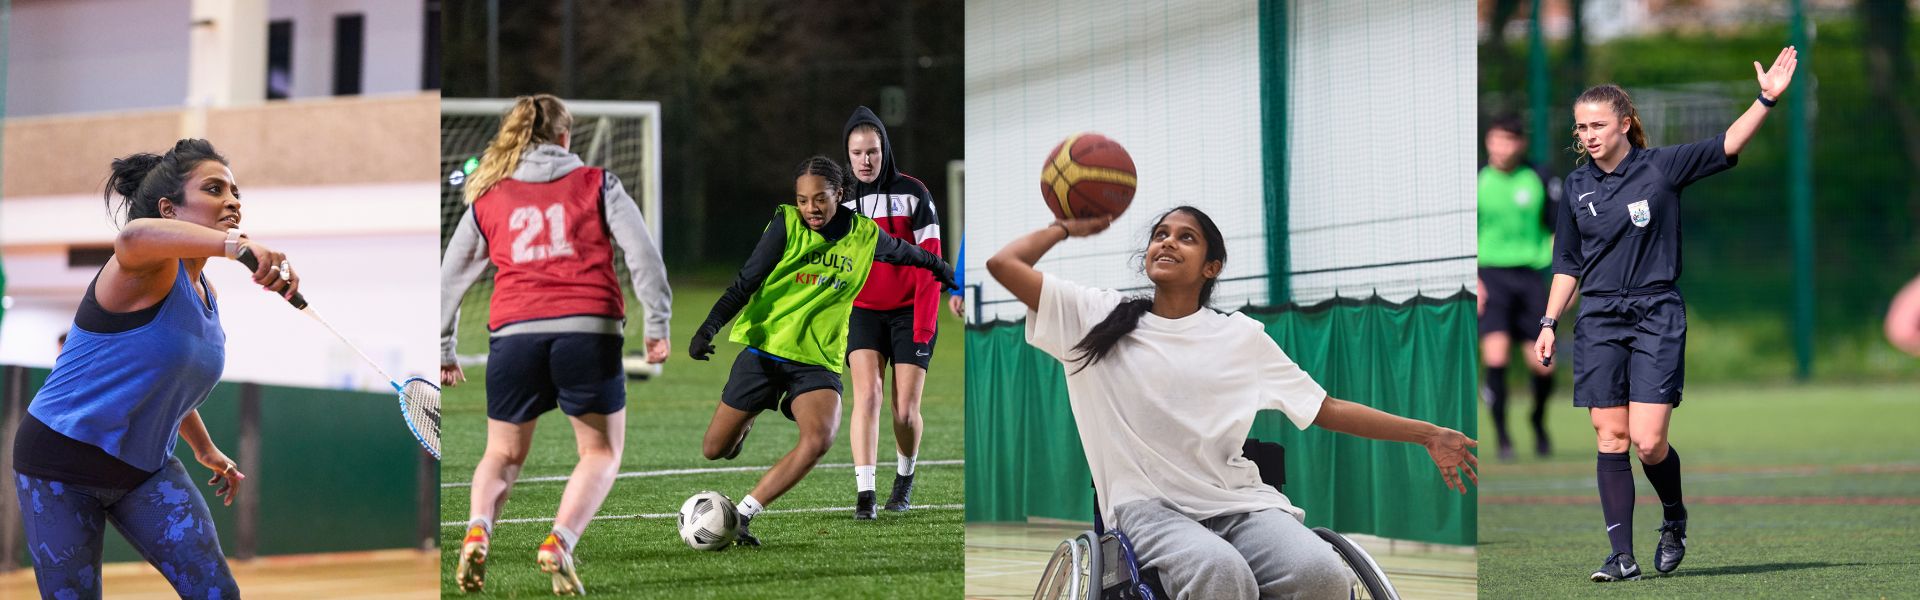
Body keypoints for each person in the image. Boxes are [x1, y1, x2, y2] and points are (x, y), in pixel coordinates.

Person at [986, 206, 1478, 599]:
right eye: (1161, 234)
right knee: (1221, 574)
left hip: (1241, 504)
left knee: (1323, 574)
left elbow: (1326, 408)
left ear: (1211, 267)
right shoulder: (1096, 317)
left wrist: (1428, 434)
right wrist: (1063, 226)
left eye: (1186, 237)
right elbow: (1003, 266)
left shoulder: (1241, 336)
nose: (1167, 242)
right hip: (1148, 509)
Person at [1534, 47, 1799, 583]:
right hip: (1600, 318)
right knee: (1611, 437)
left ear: (1625, 124)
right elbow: (1567, 261)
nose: (1587, 135)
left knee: (1649, 441)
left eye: (1597, 125)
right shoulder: (1576, 187)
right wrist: (1548, 322)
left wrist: (1765, 98)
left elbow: (1727, 143)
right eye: (1580, 127)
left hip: (1656, 310)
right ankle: (1620, 557)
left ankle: (1674, 517)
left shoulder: (1661, 167)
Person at [12, 139, 298, 599]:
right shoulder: (143, 269)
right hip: (60, 463)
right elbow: (132, 237)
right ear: (169, 209)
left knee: (216, 592)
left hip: (144, 469)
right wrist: (237, 246)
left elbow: (162, 380)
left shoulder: (204, 293)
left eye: (235, 191)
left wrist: (204, 448)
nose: (232, 201)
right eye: (214, 188)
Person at [440, 94, 672, 596]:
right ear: (567, 138)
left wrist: (444, 348)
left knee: (501, 453)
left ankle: (479, 527)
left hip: (514, 334)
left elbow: (449, 277)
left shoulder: (489, 195)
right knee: (600, 451)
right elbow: (644, 257)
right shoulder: (597, 183)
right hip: (587, 330)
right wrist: (657, 325)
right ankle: (559, 542)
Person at [689, 156, 956, 545]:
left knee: (819, 437)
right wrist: (708, 328)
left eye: (819, 199)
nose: (810, 209)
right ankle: (748, 420)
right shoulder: (786, 225)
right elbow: (745, 282)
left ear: (840, 195)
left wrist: (939, 267)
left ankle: (744, 514)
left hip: (817, 361)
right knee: (715, 449)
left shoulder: (863, 236)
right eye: (802, 200)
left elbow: (904, 251)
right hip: (766, 350)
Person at [840, 106, 945, 518]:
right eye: (857, 153)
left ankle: (903, 478)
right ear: (847, 155)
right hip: (863, 311)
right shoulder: (841, 201)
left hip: (910, 313)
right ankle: (865, 495)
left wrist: (923, 326)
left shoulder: (914, 193)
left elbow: (931, 261)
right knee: (867, 396)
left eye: (872, 151)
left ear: (885, 151)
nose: (865, 160)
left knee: (904, 410)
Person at [1477, 114, 1561, 461]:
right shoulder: (1476, 179)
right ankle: (1502, 437)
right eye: (1496, 139)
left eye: (1509, 140)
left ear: (1520, 144)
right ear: (1487, 142)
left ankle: (1538, 421)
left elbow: (1559, 233)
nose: (1502, 147)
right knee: (1495, 357)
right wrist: (1474, 279)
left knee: (1543, 365)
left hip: (1530, 279)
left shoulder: (1539, 178)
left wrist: (1562, 283)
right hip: (1490, 278)